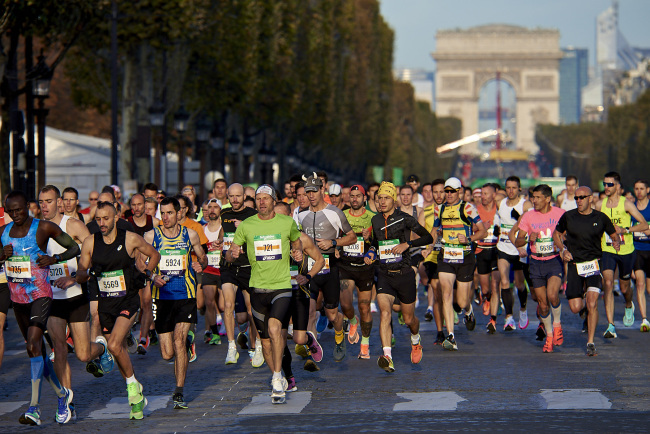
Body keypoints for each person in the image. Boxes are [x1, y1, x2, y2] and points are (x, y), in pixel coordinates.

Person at [0, 190, 81, 425]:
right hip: (18, 300)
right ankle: (62, 395)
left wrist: (54, 259)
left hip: (41, 295)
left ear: (28, 206)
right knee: (36, 352)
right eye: (10, 211)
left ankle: (34, 408)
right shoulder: (4, 233)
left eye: (19, 209)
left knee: (34, 343)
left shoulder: (44, 228)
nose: (15, 214)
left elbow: (74, 248)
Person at [76, 200, 160, 420]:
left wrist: (145, 274)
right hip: (106, 305)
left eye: (106, 218)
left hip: (128, 301)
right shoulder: (90, 242)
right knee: (117, 350)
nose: (102, 223)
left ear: (116, 218)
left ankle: (132, 389)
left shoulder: (130, 238)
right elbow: (82, 271)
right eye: (98, 219)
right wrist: (83, 275)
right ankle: (136, 398)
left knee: (114, 344)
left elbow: (154, 255)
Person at [39, 185, 111, 422]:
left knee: (82, 354)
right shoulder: (37, 229)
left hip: (76, 296)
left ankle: (101, 347)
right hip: (52, 299)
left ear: (59, 202)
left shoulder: (72, 225)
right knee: (58, 349)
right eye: (41, 202)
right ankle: (66, 401)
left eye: (49, 201)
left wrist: (76, 276)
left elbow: (92, 250)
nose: (44, 206)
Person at [226, 185, 303, 403]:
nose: (261, 202)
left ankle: (277, 381)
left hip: (281, 286)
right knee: (266, 341)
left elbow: (297, 244)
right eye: (258, 199)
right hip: (257, 288)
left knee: (275, 328)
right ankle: (277, 374)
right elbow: (230, 254)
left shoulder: (287, 223)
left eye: (265, 198)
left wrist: (297, 254)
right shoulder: (247, 225)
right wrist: (231, 254)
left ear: (272, 201)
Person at [144, 196, 207, 409]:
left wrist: (201, 264)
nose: (166, 217)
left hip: (185, 295)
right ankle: (185, 346)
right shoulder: (152, 235)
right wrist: (152, 277)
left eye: (169, 213)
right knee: (166, 353)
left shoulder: (190, 234)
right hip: (162, 297)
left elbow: (202, 257)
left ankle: (179, 391)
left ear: (179, 213)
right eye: (162, 213)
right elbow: (140, 261)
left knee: (179, 341)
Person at [364, 181, 432, 372]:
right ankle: (387, 356)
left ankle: (415, 339)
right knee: (385, 313)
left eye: (386, 198)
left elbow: (428, 237)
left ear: (394, 200)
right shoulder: (376, 221)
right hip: (385, 274)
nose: (382, 202)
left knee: (409, 319)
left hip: (404, 274)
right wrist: (370, 253)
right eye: (379, 199)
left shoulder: (405, 218)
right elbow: (375, 244)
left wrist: (407, 244)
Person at [553, 186, 619, 356]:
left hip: (594, 265)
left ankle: (590, 342)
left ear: (591, 198)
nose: (578, 200)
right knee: (575, 307)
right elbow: (556, 234)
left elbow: (613, 234)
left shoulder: (601, 217)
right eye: (576, 198)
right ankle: (582, 307)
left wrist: (616, 242)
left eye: (582, 197)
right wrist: (563, 250)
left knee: (592, 303)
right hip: (575, 265)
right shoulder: (569, 216)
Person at [298, 173, 357, 362]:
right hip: (310, 268)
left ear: (322, 190)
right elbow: (296, 240)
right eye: (308, 192)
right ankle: (311, 350)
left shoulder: (335, 213)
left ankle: (339, 336)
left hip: (330, 267)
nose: (311, 195)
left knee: (332, 314)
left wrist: (333, 242)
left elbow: (352, 237)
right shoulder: (301, 215)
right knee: (310, 311)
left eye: (314, 191)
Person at [431, 177, 486, 351]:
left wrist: (469, 238)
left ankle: (468, 311)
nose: (448, 195)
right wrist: (428, 247)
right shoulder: (439, 209)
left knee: (461, 302)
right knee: (446, 293)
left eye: (451, 191)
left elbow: (483, 231)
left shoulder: (468, 208)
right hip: (446, 256)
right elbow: (434, 230)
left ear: (459, 192)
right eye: (446, 191)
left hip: (465, 257)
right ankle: (451, 336)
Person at [595, 171, 648, 338]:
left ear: (617, 186)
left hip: (626, 251)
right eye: (604, 184)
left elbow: (644, 225)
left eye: (609, 184)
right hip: (607, 250)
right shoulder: (599, 205)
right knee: (608, 283)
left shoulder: (627, 204)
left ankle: (628, 304)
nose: (606, 187)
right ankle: (610, 325)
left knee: (625, 287)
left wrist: (625, 230)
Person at [274, 201, 324, 378]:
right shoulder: (269, 238)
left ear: (289, 217)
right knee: (278, 339)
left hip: (298, 292)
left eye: (281, 216)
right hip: (276, 292)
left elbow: (320, 260)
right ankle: (287, 377)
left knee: (298, 339)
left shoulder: (302, 238)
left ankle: (310, 339)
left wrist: (308, 276)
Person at [514, 184, 565, 353]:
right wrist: (529, 238)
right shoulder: (529, 216)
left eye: (537, 197)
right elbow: (518, 241)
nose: (533, 200)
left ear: (548, 199)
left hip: (554, 260)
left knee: (552, 295)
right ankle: (549, 336)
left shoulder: (560, 214)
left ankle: (557, 324)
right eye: (533, 197)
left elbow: (569, 234)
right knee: (542, 305)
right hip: (535, 262)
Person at [220, 183, 263, 366]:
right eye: (232, 196)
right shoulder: (225, 214)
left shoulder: (253, 215)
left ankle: (257, 346)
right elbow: (224, 235)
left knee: (252, 311)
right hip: (229, 266)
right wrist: (219, 243)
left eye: (238, 196)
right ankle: (231, 347)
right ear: (228, 197)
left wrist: (244, 228)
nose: (235, 200)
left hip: (248, 267)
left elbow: (260, 240)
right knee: (228, 304)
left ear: (244, 196)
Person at [340, 185, 375, 358]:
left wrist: (370, 240)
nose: (354, 199)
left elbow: (379, 241)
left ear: (364, 198)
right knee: (345, 304)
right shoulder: (342, 216)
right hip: (346, 265)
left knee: (364, 306)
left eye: (358, 196)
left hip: (365, 267)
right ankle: (353, 322)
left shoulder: (372, 218)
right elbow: (335, 236)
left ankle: (365, 344)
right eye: (352, 196)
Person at [496, 176, 532, 332]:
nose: (510, 191)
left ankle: (523, 309)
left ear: (519, 189)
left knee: (519, 284)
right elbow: (496, 218)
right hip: (503, 247)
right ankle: (509, 317)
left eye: (513, 188)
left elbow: (530, 221)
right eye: (508, 187)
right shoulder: (500, 203)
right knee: (504, 282)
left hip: (520, 249)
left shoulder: (525, 204)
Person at [475, 183, 502, 333]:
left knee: (495, 285)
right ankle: (486, 297)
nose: (483, 197)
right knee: (486, 288)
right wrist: (480, 227)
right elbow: (470, 227)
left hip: (496, 251)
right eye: (481, 194)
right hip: (481, 251)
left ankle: (493, 320)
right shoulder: (476, 210)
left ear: (493, 195)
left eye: (486, 194)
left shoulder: (499, 209)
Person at [421, 179, 445, 344]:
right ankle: (440, 331)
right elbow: (420, 235)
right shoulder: (426, 211)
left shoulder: (455, 210)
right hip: (432, 257)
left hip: (452, 255)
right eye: (435, 192)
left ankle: (464, 308)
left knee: (457, 298)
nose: (438, 195)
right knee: (437, 293)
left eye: (441, 191)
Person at [201, 198, 224, 345]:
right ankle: (214, 333)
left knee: (222, 305)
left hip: (222, 270)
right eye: (210, 207)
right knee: (209, 302)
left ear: (220, 210)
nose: (212, 210)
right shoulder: (202, 230)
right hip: (208, 270)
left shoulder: (224, 227)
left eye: (215, 207)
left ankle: (231, 326)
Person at [631, 180, 650, 331]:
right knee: (640, 284)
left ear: (647, 190)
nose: (639, 191)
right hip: (636, 249)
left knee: (649, 288)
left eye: (642, 189)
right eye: (636, 189)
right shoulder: (631, 208)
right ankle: (644, 319)